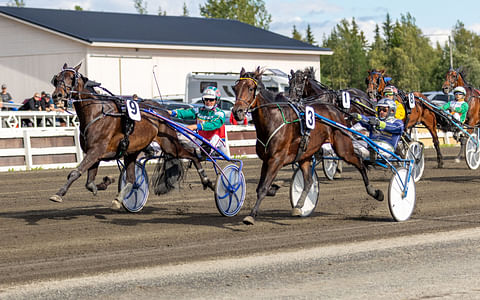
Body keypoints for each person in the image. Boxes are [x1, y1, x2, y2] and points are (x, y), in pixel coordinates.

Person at [169, 86, 227, 156]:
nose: (208, 102)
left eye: (211, 100)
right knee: (183, 139)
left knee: (215, 137)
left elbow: (213, 124)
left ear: (216, 100)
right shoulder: (199, 110)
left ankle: (209, 151)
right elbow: (186, 113)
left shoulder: (220, 113)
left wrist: (196, 126)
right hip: (203, 141)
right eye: (206, 99)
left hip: (219, 144)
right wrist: (172, 113)